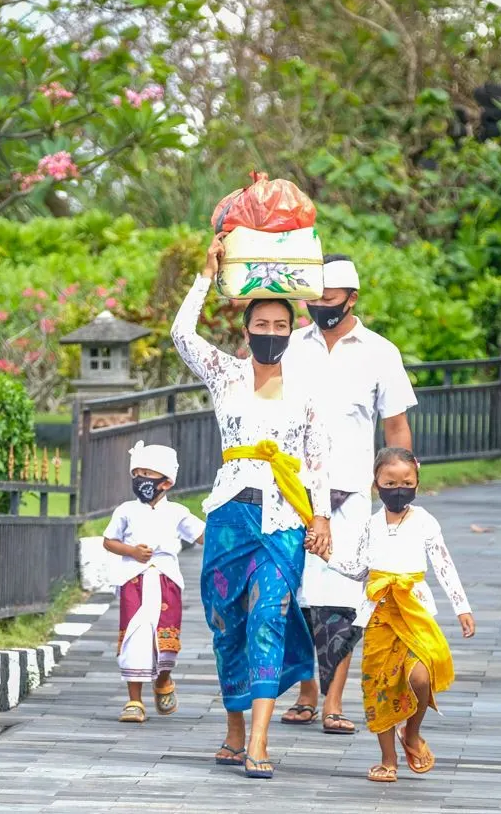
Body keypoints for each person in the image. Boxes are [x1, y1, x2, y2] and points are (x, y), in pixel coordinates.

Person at [170, 235, 332, 779]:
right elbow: (179, 334)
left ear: (292, 332)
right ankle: (235, 727)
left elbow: (317, 458)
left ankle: (259, 742)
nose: (269, 334)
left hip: (284, 519)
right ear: (247, 331)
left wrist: (323, 518)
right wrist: (206, 274)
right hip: (229, 515)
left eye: (279, 327)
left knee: (268, 617)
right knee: (226, 624)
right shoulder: (226, 374)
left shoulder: (306, 388)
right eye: (260, 326)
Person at [280, 254, 417, 734]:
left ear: (352, 298)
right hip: (291, 492)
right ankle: (306, 690)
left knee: (342, 597)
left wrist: (396, 492)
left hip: (352, 496)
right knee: (296, 595)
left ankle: (333, 701)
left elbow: (396, 426)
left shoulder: (380, 352)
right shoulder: (290, 345)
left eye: (330, 299)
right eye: (312, 298)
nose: (319, 306)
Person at [320, 446, 476, 782]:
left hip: (415, 609)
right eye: (390, 482)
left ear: (417, 482)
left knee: (420, 676)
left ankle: (413, 732)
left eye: (407, 481)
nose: (399, 489)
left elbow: (443, 564)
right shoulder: (370, 525)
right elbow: (359, 569)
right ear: (376, 485)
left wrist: (461, 607)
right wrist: (327, 557)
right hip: (377, 614)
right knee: (382, 686)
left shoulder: (425, 521)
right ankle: (388, 759)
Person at [103, 440, 205, 723]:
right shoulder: (125, 510)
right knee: (134, 637)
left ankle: (163, 679)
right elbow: (109, 541)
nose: (141, 481)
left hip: (166, 581)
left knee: (166, 637)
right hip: (133, 581)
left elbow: (201, 535)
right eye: (138, 475)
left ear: (166, 482)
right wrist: (132, 552)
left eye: (148, 475)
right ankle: (134, 700)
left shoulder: (177, 513)